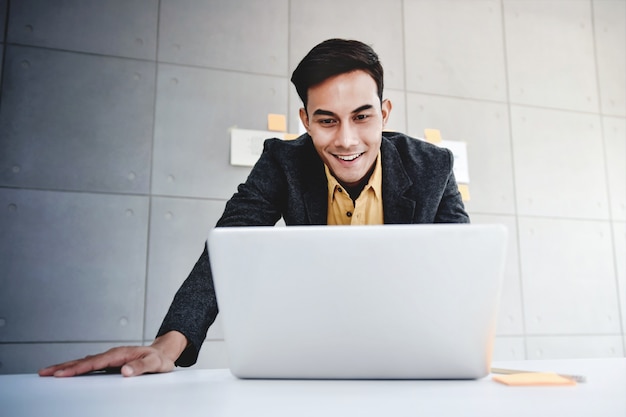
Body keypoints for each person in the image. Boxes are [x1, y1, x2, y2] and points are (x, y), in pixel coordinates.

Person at [39, 38, 469, 378]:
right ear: (305, 121)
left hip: (412, 351)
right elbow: (226, 248)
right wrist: (168, 344)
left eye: (362, 116)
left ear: (384, 112)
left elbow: (464, 274)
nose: (347, 140)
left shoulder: (433, 166)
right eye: (327, 120)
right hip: (316, 348)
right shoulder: (284, 162)